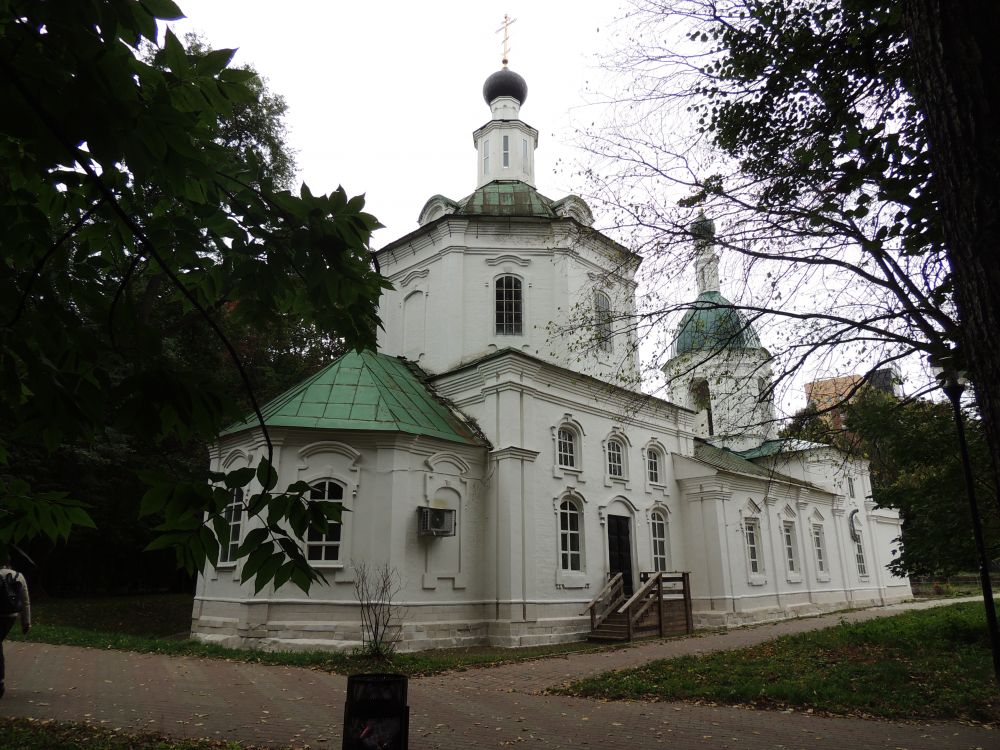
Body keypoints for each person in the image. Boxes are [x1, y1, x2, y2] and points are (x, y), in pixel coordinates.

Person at [0, 557, 30, 699]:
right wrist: (26, 623)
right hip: (11, 616)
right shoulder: (19, 576)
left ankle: (0, 682)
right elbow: (25, 602)